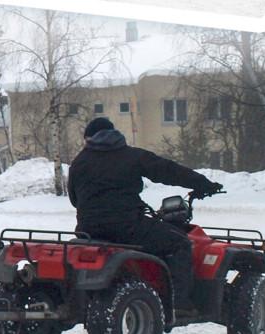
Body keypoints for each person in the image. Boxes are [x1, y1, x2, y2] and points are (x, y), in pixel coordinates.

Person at [66, 117, 222, 313]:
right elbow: (168, 170)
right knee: (180, 243)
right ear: (114, 134)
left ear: (89, 138)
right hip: (128, 227)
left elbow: (74, 200)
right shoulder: (131, 156)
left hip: (89, 231)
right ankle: (178, 303)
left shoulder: (79, 162)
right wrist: (203, 183)